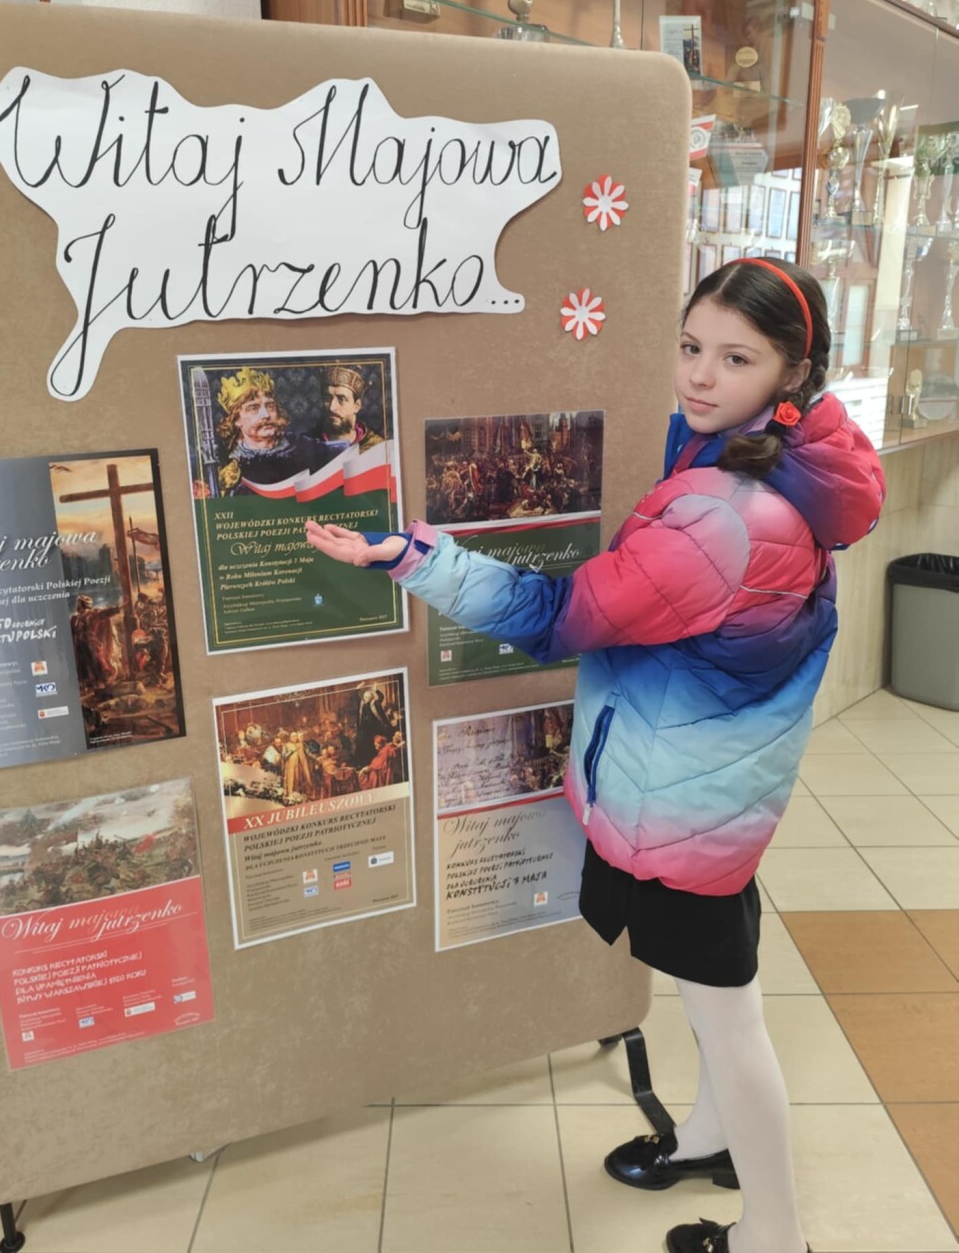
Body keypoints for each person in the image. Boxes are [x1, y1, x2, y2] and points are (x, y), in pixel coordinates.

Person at [305, 258, 885, 1253]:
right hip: (717, 790)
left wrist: (411, 557)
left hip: (684, 807)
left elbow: (558, 616)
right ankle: (708, 1137)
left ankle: (774, 1233)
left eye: (735, 358)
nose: (699, 375)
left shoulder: (725, 511)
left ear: (793, 372)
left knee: (730, 1016)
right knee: (715, 995)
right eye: (691, 345)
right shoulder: (790, 462)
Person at [212, 367, 345, 495]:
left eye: (270, 405)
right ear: (236, 420)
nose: (265, 415)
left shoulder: (305, 448)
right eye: (253, 408)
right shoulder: (226, 467)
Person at [312, 364, 384, 452]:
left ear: (356, 406)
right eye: (327, 398)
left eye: (341, 399)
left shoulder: (377, 447)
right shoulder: (306, 444)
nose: (332, 407)